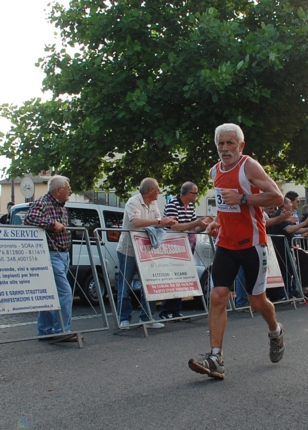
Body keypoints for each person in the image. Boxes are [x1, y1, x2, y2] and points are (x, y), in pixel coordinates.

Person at [188, 123, 285, 380]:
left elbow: (276, 197)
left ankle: (275, 331)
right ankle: (215, 357)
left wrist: (243, 198)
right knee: (218, 295)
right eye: (221, 143)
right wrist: (217, 222)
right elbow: (223, 205)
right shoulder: (215, 172)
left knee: (256, 301)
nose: (225, 148)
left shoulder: (249, 167)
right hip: (226, 244)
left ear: (241, 146)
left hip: (253, 244)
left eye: (230, 143)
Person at [116, 178, 178, 329]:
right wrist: (159, 221)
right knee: (125, 286)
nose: (159, 192)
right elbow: (136, 222)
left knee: (149, 284)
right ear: (150, 191)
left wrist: (166, 222)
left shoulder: (154, 203)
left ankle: (147, 318)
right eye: (158, 190)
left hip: (146, 251)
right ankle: (124, 318)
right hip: (128, 250)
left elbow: (158, 222)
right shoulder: (133, 202)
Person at [25, 176, 78, 341]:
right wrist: (51, 223)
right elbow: (29, 219)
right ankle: (61, 330)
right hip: (51, 254)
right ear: (58, 190)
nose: (70, 190)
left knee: (50, 293)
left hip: (62, 253)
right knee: (65, 292)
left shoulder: (62, 206)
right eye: (67, 187)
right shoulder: (43, 203)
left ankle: (46, 330)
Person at [158, 181, 212, 320]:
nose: (197, 195)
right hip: (174, 247)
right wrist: (196, 223)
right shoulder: (173, 205)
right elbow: (175, 227)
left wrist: (205, 224)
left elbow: (194, 228)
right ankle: (165, 310)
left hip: (188, 246)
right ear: (188, 194)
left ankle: (175, 310)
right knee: (173, 278)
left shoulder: (191, 206)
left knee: (181, 277)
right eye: (196, 193)